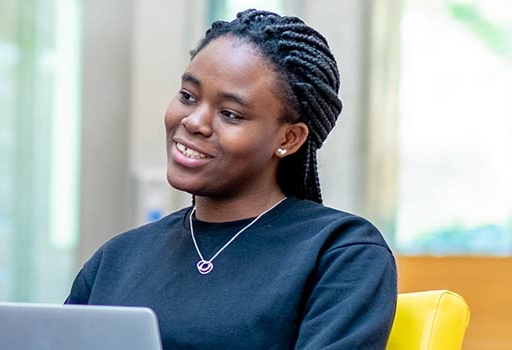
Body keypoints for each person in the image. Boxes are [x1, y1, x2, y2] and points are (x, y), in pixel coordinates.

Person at [65, 9, 397, 349]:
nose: (194, 121)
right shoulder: (117, 259)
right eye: (188, 96)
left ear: (289, 138)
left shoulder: (341, 253)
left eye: (230, 113)